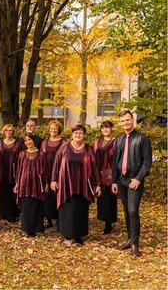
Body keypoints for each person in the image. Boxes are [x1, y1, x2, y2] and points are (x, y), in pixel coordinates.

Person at [51, 124, 101, 245]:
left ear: (84, 135)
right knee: (67, 209)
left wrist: (98, 184)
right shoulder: (64, 147)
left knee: (80, 209)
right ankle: (66, 234)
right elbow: (56, 163)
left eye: (80, 133)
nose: (78, 135)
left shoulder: (88, 149)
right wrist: (53, 180)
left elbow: (95, 167)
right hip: (66, 184)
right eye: (76, 133)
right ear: (72, 135)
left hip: (83, 185)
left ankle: (79, 235)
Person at [111, 110, 152, 257]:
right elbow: (115, 161)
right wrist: (114, 181)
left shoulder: (142, 138)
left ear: (132, 120)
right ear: (120, 123)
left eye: (127, 120)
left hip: (135, 181)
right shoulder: (119, 140)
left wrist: (138, 178)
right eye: (122, 121)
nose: (125, 123)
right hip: (121, 181)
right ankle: (129, 239)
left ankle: (135, 244)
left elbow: (147, 162)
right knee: (126, 211)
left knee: (133, 210)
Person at [14, 133, 47, 237]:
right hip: (25, 184)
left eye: (30, 140)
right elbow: (19, 170)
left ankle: (36, 228)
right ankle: (28, 229)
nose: (28, 142)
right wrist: (17, 183)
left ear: (33, 140)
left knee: (36, 206)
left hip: (37, 184)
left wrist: (46, 183)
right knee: (26, 207)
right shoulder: (22, 154)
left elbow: (45, 170)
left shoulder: (41, 154)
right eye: (26, 141)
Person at [40, 120, 65, 228]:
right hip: (47, 172)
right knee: (48, 197)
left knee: (58, 195)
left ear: (59, 130)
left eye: (55, 128)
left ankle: (60, 219)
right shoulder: (44, 142)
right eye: (51, 129)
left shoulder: (64, 143)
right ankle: (49, 220)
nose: (53, 130)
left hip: (59, 172)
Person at [93, 121, 117, 234]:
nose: (104, 130)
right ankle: (103, 219)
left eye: (107, 127)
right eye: (102, 128)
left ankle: (109, 224)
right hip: (98, 173)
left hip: (109, 174)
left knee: (110, 199)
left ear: (111, 128)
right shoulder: (97, 141)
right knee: (101, 198)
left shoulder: (115, 142)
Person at [0, 124, 22, 222]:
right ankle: (3, 213)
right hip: (2, 171)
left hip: (13, 171)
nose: (8, 132)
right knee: (3, 193)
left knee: (11, 193)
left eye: (10, 130)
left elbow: (20, 159)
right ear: (4, 132)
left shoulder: (17, 144)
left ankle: (12, 214)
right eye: (7, 130)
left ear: (13, 132)